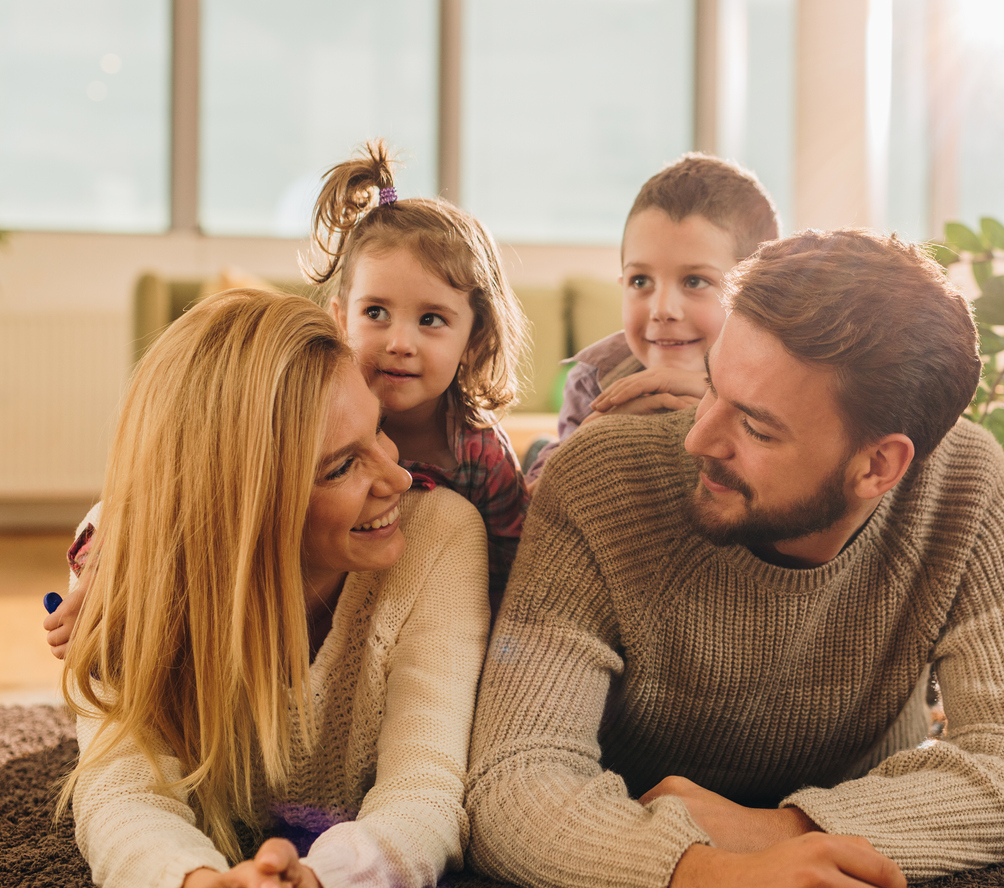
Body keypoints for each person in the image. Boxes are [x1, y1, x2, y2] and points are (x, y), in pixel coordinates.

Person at [465, 230, 1004, 888]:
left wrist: (779, 831)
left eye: (756, 426)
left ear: (879, 465)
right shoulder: (599, 479)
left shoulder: (966, 482)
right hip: (632, 823)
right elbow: (512, 782)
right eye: (711, 387)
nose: (700, 436)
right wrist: (705, 872)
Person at [59, 290, 490, 888]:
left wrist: (323, 879)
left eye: (380, 428)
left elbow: (427, 787)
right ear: (237, 504)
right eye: (341, 467)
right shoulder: (118, 558)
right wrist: (193, 880)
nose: (397, 476)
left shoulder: (440, 534)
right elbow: (121, 793)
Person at [307, 139, 530, 605]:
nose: (400, 344)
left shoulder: (481, 455)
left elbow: (510, 580)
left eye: (430, 320)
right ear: (339, 319)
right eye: (376, 313)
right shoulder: (315, 430)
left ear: (475, 340)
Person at [524, 153, 780, 489]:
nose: (662, 309)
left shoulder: (781, 380)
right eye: (640, 281)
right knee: (540, 455)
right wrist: (590, 439)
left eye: (695, 282)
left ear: (756, 294)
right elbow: (538, 510)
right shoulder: (594, 379)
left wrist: (720, 403)